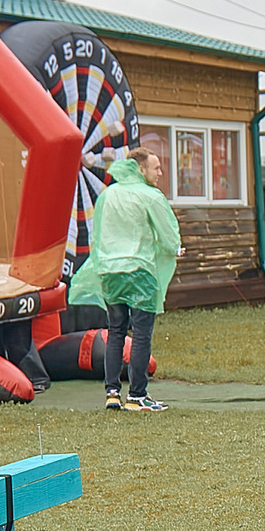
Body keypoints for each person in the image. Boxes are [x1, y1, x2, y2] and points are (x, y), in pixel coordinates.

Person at [67, 146, 181, 412]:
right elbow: (167, 233)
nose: (160, 172)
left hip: (110, 272)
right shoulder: (150, 196)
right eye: (156, 167)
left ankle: (112, 393)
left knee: (116, 331)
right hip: (139, 271)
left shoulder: (108, 195)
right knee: (141, 334)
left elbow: (99, 235)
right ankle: (138, 396)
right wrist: (175, 248)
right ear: (140, 169)